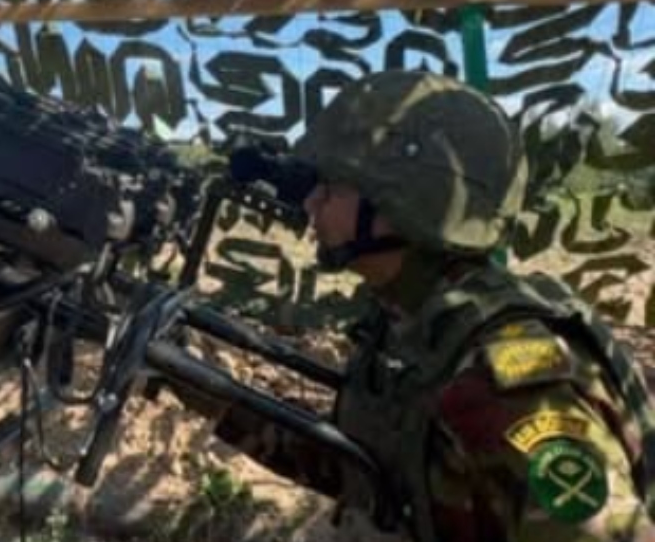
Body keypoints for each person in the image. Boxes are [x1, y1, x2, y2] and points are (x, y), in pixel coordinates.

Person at [175, 69, 654, 542]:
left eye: (332, 186)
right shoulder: (416, 325)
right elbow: (362, 471)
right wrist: (190, 381)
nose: (312, 202)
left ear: (405, 204)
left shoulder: (502, 382)